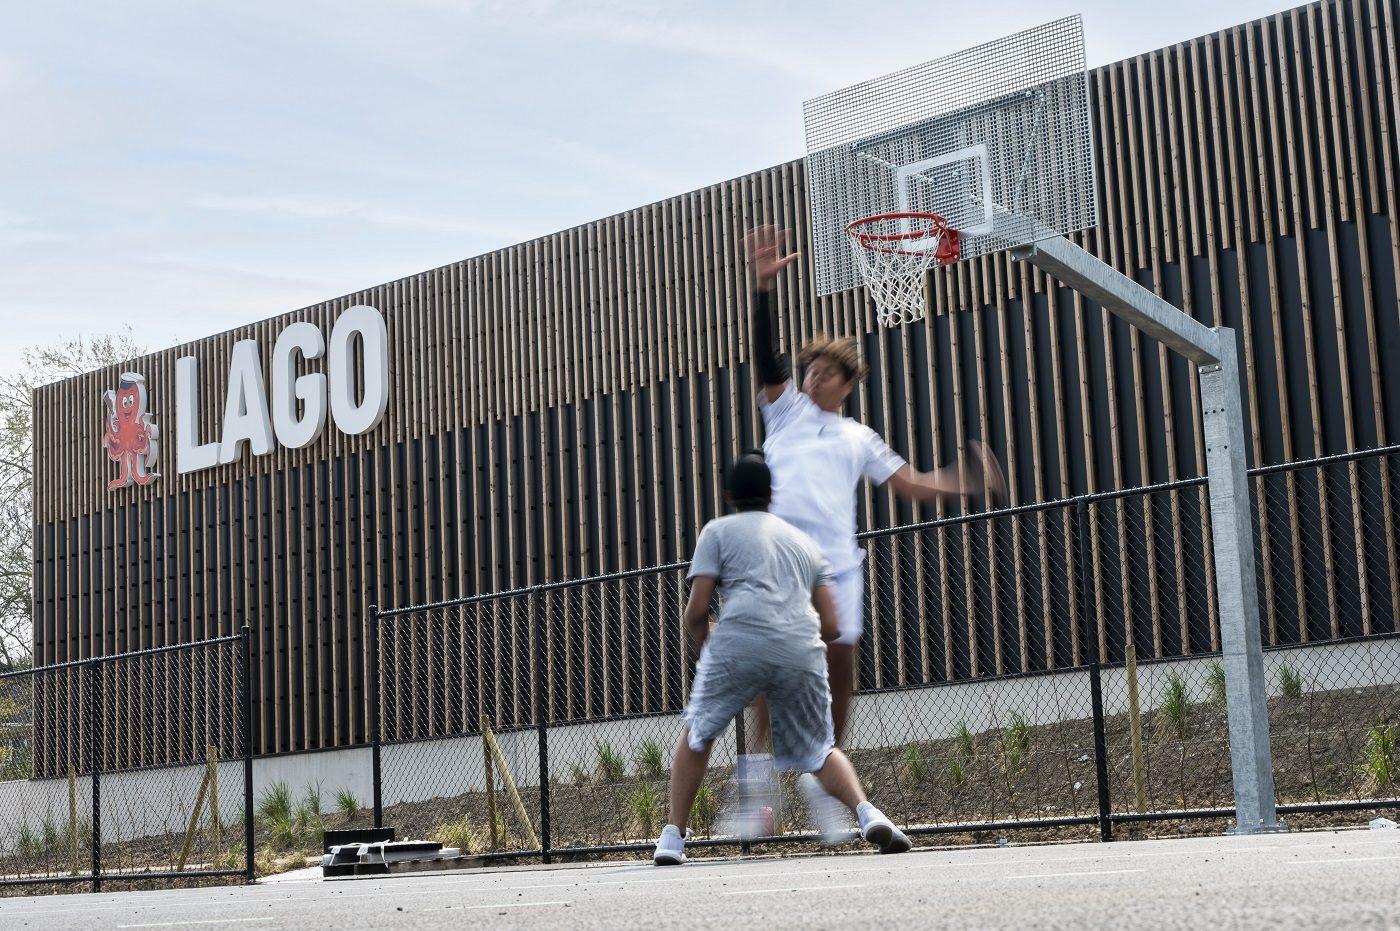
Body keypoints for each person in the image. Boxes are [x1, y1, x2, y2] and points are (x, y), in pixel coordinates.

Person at [732, 225, 1007, 843]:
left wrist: (967, 481)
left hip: (839, 568)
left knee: (840, 675)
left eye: (825, 373)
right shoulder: (784, 411)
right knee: (771, 673)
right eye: (809, 371)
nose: (813, 379)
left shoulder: (859, 437)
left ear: (848, 383)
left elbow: (910, 485)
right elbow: (766, 357)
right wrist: (764, 287)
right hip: (782, 561)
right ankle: (757, 792)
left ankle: (822, 779)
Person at [652, 453, 912, 866]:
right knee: (820, 750)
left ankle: (672, 839)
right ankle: (869, 814)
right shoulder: (804, 542)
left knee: (699, 733)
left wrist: (705, 640)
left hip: (738, 642)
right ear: (772, 495)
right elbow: (832, 623)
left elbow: (697, 611)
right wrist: (794, 642)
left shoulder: (716, 531)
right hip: (800, 647)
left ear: (729, 495)